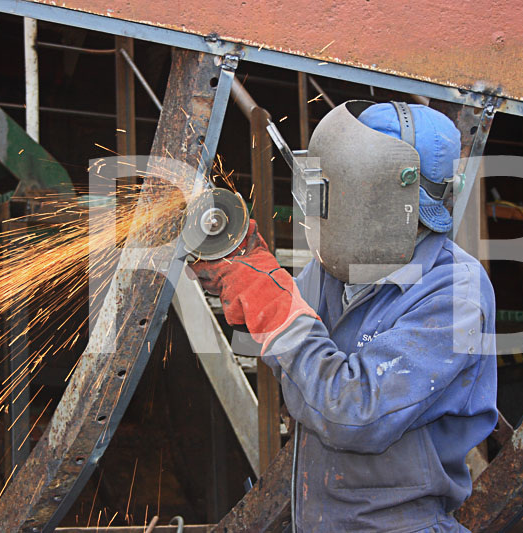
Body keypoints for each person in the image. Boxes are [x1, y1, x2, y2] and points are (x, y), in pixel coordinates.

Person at [190, 101, 497, 532]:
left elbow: (352, 412)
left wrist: (275, 308)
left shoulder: (455, 291)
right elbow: (299, 355)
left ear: (391, 197)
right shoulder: (338, 268)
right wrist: (242, 273)